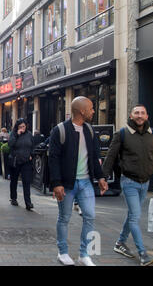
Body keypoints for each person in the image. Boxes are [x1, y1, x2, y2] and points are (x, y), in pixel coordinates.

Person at [102, 104, 153, 266]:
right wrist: (103, 178)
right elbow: (110, 156)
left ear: (147, 116)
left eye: (142, 113)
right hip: (129, 182)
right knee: (136, 217)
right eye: (136, 113)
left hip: (146, 183)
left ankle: (120, 243)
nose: (139, 115)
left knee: (132, 215)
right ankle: (142, 252)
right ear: (131, 116)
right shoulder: (122, 134)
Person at [49, 96, 108, 266]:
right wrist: (56, 183)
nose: (93, 111)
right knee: (64, 217)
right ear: (82, 111)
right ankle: (63, 252)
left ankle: (84, 254)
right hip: (66, 184)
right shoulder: (59, 130)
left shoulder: (90, 130)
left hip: (86, 182)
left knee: (90, 215)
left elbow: (95, 157)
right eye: (91, 108)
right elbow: (53, 159)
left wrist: (101, 177)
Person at [8, 118, 34, 210]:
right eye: (20, 127)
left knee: (26, 182)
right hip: (16, 161)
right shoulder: (13, 134)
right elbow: (10, 144)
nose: (22, 128)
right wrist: (16, 135)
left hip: (26, 161)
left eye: (24, 126)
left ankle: (28, 202)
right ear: (17, 127)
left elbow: (32, 146)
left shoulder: (29, 134)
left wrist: (31, 154)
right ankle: (13, 198)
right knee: (14, 180)